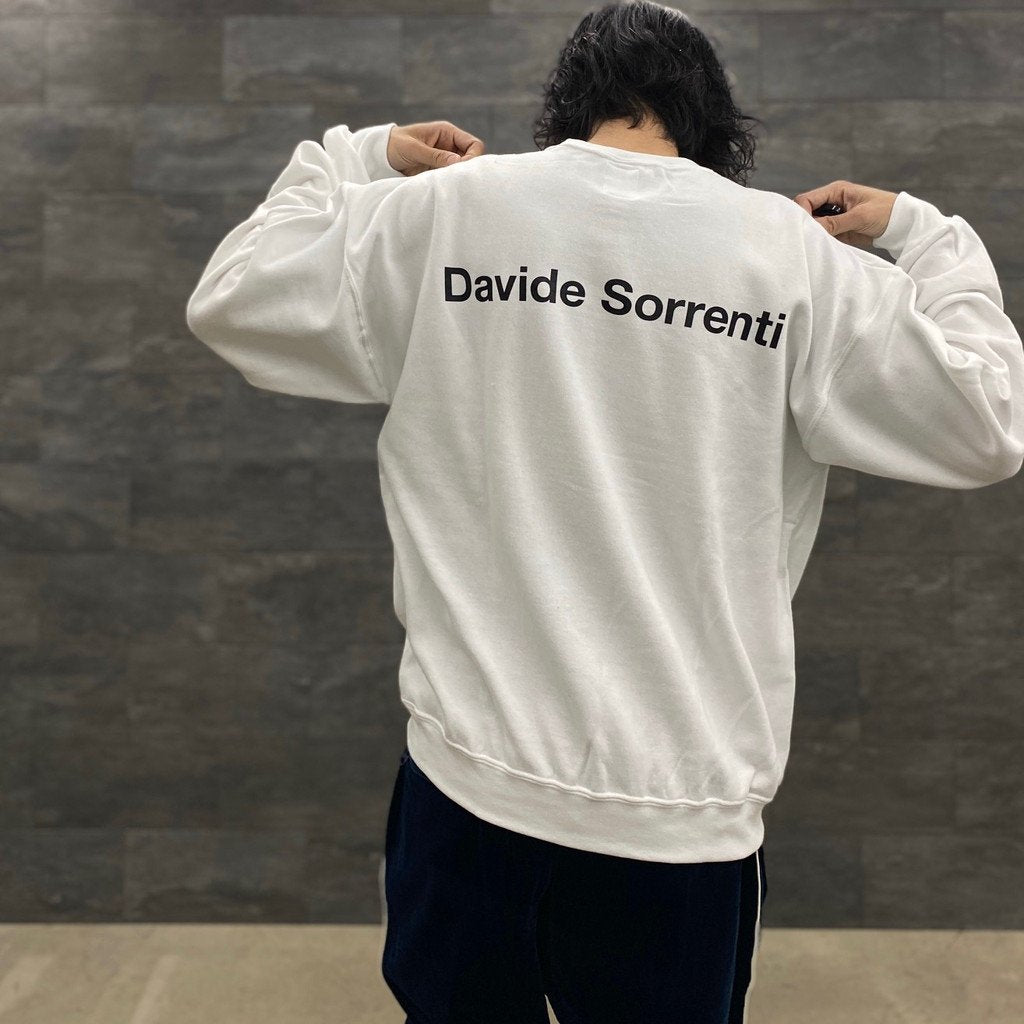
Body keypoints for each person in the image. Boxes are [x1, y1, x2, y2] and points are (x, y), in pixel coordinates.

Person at [185, 2, 1024, 1021]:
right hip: (678, 814)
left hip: (469, 789)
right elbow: (987, 423)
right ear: (711, 117)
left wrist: (360, 156)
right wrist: (920, 234)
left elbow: (234, 294)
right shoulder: (794, 257)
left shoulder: (447, 212)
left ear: (568, 104)